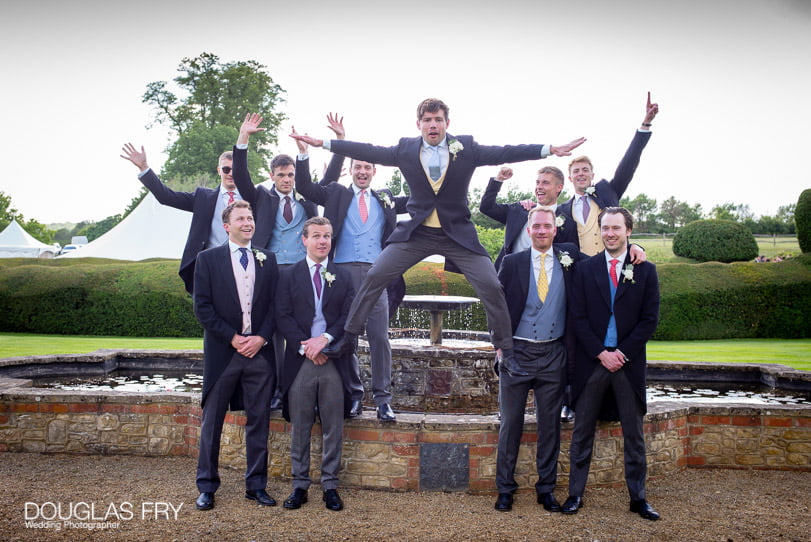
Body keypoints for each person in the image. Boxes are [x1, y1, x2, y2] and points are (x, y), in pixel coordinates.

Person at [291, 98, 586, 376]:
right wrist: (326, 144)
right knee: (376, 274)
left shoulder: (466, 148)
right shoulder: (406, 149)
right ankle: (346, 338)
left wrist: (549, 149)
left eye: (439, 120)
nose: (433, 125)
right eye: (428, 120)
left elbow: (505, 151)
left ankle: (505, 351)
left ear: (447, 123)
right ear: (419, 123)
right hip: (417, 234)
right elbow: (371, 150)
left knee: (492, 286)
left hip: (457, 235)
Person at [482, 165, 646, 422]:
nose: (539, 186)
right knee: (507, 353)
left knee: (564, 349)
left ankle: (562, 403)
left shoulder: (565, 219)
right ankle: (508, 409)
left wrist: (633, 245)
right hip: (517, 288)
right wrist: (497, 181)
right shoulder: (518, 210)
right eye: (537, 181)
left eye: (546, 182)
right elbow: (487, 207)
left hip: (553, 290)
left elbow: (580, 254)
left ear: (559, 187)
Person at [292, 113, 408, 422]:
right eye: (357, 166)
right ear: (352, 170)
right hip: (341, 277)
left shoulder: (387, 199)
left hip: (376, 277)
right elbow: (303, 185)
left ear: (373, 170)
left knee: (380, 339)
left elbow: (424, 198)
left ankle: (383, 400)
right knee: (346, 339)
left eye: (367, 167)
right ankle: (355, 396)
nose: (362, 171)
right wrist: (304, 153)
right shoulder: (336, 193)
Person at [561, 207, 661, 520]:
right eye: (605, 228)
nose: (610, 234)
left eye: (616, 228)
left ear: (628, 231)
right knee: (582, 432)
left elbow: (648, 321)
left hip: (627, 365)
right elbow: (577, 317)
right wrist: (601, 353)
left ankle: (638, 498)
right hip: (593, 362)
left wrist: (621, 353)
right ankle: (575, 494)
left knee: (634, 434)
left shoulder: (646, 270)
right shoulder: (584, 269)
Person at [494, 206, 587, 512]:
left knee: (550, 427)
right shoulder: (512, 262)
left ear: (555, 229)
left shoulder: (569, 256)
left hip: (553, 354)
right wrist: (500, 347)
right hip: (516, 352)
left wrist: (634, 247)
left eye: (547, 225)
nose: (542, 230)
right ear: (529, 229)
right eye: (537, 226)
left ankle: (545, 489)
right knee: (510, 425)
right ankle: (505, 488)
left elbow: (604, 262)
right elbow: (495, 305)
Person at [192, 200, 279, 511]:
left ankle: (256, 486)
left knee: (259, 421)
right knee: (212, 422)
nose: (248, 223)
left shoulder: (268, 259)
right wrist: (232, 338)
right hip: (223, 355)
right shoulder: (208, 259)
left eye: (250, 218)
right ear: (227, 226)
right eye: (241, 218)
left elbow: (273, 307)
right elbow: (202, 307)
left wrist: (261, 338)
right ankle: (206, 486)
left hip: (259, 355)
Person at [232, 114, 322, 409]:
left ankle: (301, 390)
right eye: (281, 175)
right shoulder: (261, 198)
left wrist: (304, 152)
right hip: (269, 272)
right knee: (271, 333)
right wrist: (242, 139)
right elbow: (242, 177)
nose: (286, 180)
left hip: (300, 273)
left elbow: (325, 184)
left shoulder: (306, 201)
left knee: (300, 331)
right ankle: (273, 392)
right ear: (272, 176)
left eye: (291, 175)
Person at [275, 216, 355, 512]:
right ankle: (299, 485)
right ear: (304, 240)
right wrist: (306, 346)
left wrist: (325, 339)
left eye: (327, 236)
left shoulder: (344, 276)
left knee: (333, 424)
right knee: (301, 425)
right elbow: (282, 316)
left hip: (333, 359)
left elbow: (349, 315)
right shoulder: (289, 275)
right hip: (300, 361)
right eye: (317, 236)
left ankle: (330, 486)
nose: (323, 241)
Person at [120, 143, 239, 294]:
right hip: (211, 267)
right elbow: (166, 197)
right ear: (219, 171)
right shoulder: (203, 197)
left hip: (244, 267)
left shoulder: (252, 197)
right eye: (226, 169)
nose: (230, 173)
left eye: (235, 169)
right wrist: (144, 168)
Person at [558, 93, 659, 256]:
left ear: (592, 175)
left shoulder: (607, 190)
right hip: (580, 272)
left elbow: (629, 163)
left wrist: (645, 124)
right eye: (576, 171)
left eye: (585, 170)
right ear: (570, 178)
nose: (581, 174)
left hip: (612, 265)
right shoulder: (562, 210)